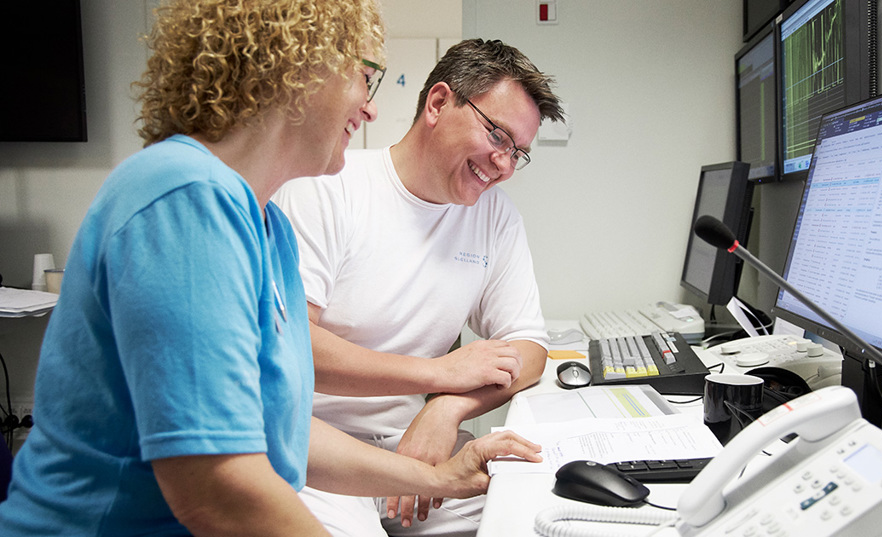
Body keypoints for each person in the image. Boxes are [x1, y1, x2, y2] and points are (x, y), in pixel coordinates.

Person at [0, 4, 541, 536]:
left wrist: (437, 476)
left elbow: (285, 437)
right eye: (362, 78)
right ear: (297, 70)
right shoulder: (184, 196)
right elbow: (216, 488)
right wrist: (436, 383)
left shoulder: (268, 230)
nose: (370, 109)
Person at [273, 38, 565, 536]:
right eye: (497, 136)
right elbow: (295, 346)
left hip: (414, 440)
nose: (505, 165)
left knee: (539, 512)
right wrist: (437, 375)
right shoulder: (330, 188)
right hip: (314, 449)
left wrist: (447, 408)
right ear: (437, 103)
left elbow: (530, 346)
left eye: (519, 152)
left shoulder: (493, 218)